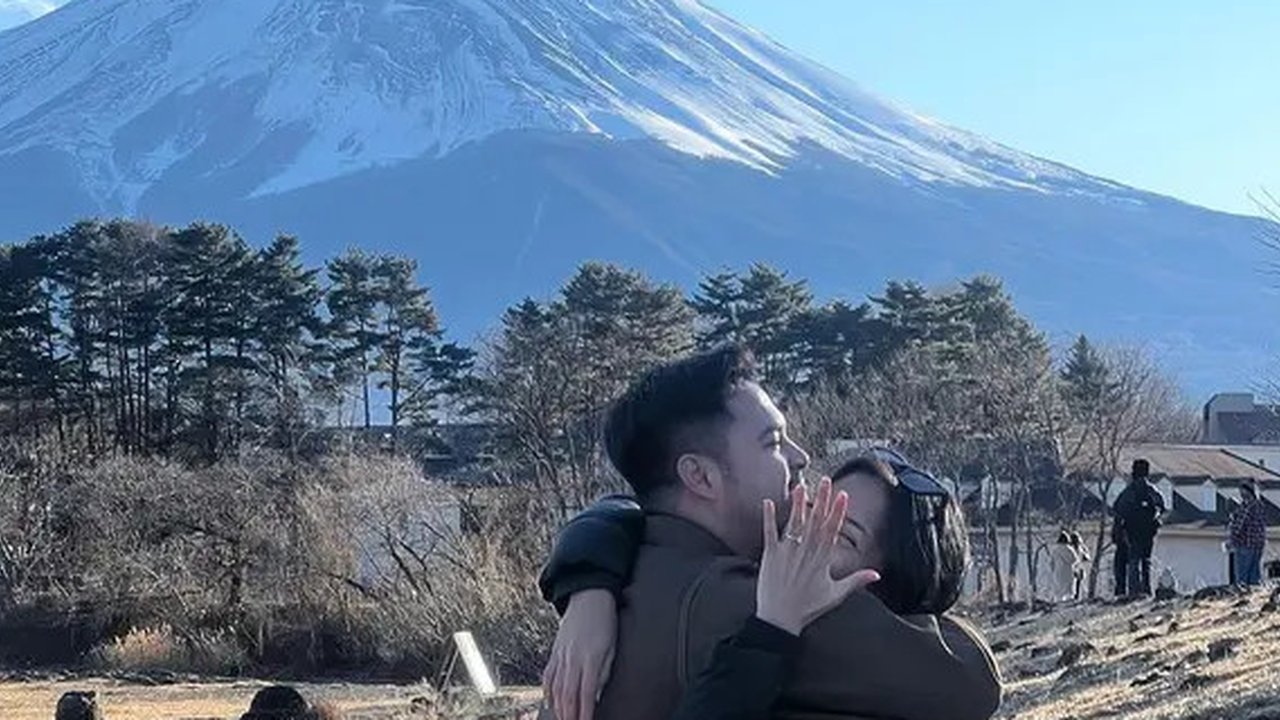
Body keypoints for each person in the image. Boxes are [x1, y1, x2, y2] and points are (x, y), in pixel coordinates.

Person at [537, 345, 1001, 720]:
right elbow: (969, 678)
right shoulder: (749, 604)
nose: (800, 457)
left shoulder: (639, 565)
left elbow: (623, 507)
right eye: (774, 443)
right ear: (700, 478)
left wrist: (586, 579)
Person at [1112, 459, 1165, 598]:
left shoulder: (1129, 491)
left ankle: (1133, 591)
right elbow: (1162, 507)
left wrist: (1119, 532)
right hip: (1148, 532)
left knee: (1133, 561)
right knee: (1146, 561)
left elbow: (1118, 510)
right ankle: (1146, 590)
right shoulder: (1151, 490)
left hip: (1132, 531)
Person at [1228, 480, 1268, 587]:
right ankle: (1254, 598)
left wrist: (1231, 540)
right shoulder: (1261, 506)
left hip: (1245, 545)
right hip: (1258, 545)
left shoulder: (1247, 507)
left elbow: (1238, 527)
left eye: (1242, 491)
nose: (1240, 494)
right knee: (1254, 576)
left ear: (1246, 492)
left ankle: (1243, 598)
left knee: (1242, 578)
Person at [1048, 530, 1079, 603]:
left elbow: (1051, 563)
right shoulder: (1069, 549)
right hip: (1067, 572)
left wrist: (1053, 571)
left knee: (1059, 592)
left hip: (1057, 573)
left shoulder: (1054, 550)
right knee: (1069, 592)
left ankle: (1057, 606)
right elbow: (1074, 560)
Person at [1069, 531, 1090, 600]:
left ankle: (1077, 597)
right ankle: (1074, 597)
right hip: (1073, 568)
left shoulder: (1081, 548)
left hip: (1080, 568)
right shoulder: (1070, 549)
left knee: (1079, 584)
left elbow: (1086, 557)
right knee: (1073, 584)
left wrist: (1085, 557)